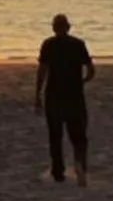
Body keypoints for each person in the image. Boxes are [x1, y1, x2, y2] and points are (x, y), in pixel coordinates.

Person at [34, 13, 95, 185]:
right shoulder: (78, 44)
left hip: (54, 95)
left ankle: (58, 172)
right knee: (79, 135)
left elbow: (42, 71)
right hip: (74, 95)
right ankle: (80, 165)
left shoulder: (48, 45)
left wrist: (37, 94)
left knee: (55, 136)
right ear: (68, 27)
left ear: (54, 28)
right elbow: (91, 70)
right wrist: (82, 81)